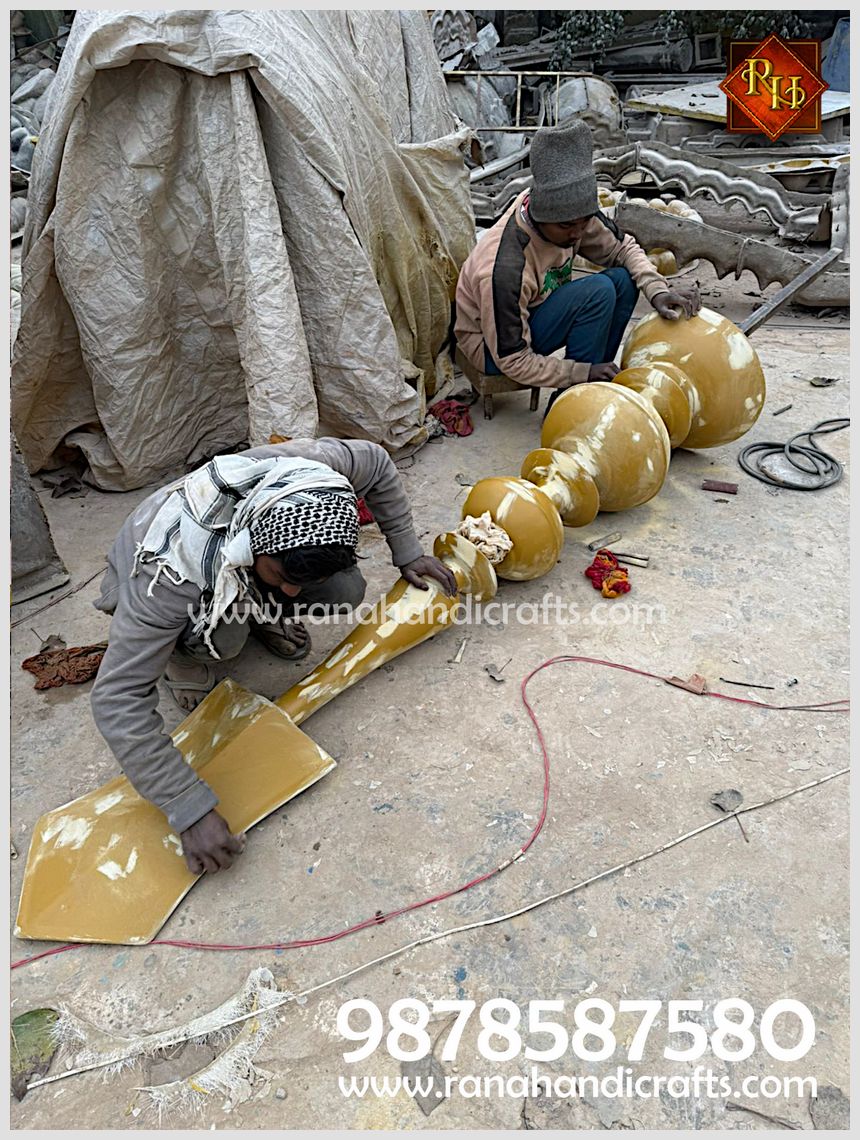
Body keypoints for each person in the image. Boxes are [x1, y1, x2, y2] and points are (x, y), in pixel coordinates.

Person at [90, 437, 457, 876]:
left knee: (345, 589)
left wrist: (408, 552)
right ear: (254, 543)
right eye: (282, 577)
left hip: (234, 561)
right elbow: (116, 698)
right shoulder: (168, 578)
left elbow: (377, 463)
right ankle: (181, 653)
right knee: (221, 642)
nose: (293, 592)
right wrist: (187, 807)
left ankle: (256, 608)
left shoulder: (315, 473)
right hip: (153, 568)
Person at [455, 121, 701, 412]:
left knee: (622, 280)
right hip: (490, 348)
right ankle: (571, 400)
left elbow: (623, 247)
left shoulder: (574, 217)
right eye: (566, 226)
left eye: (583, 223)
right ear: (540, 213)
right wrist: (576, 372)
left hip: (533, 315)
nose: (577, 234)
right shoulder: (504, 267)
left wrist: (657, 288)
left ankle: (594, 384)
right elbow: (511, 359)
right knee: (597, 291)